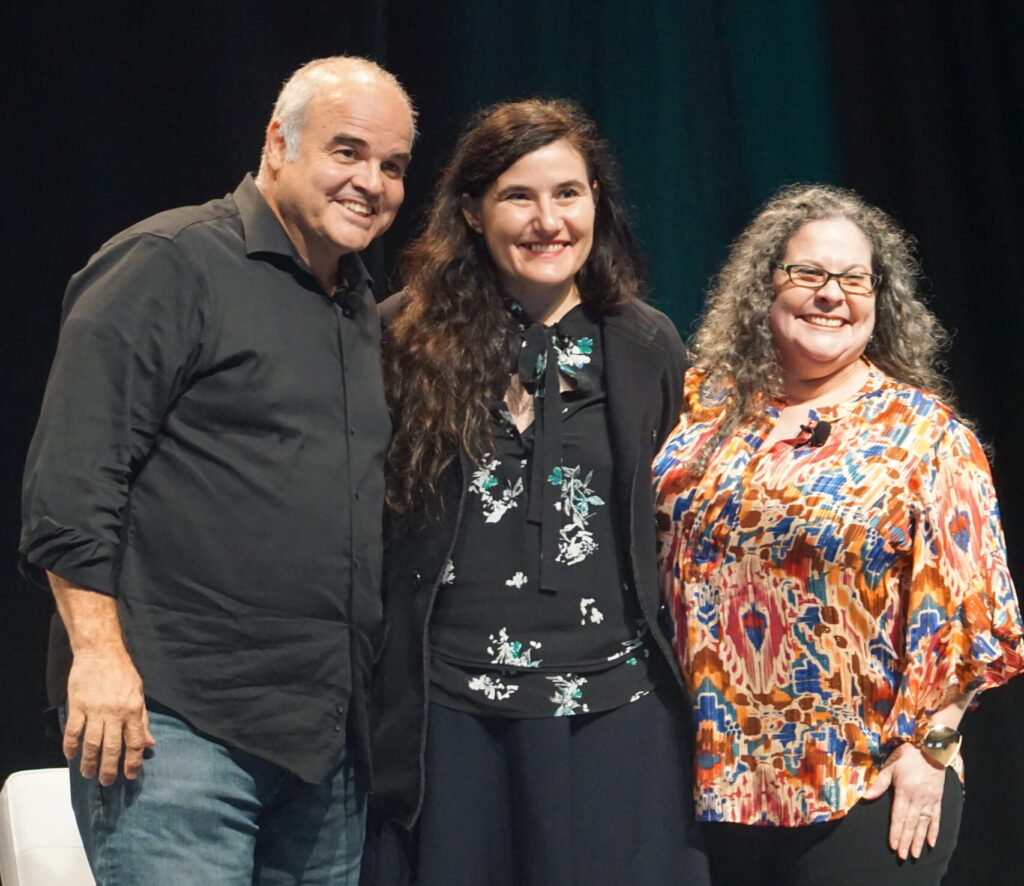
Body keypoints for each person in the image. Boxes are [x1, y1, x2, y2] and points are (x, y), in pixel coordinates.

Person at [19, 56, 415, 885]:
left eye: (392, 165)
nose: (370, 181)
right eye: (347, 152)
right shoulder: (171, 262)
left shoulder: (357, 310)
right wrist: (97, 658)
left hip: (323, 745)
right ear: (279, 144)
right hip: (174, 727)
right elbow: (71, 480)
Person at [363, 99, 710, 886]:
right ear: (471, 210)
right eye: (519, 195)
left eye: (569, 193)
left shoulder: (643, 341)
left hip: (615, 713)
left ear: (598, 205)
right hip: (451, 716)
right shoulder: (399, 338)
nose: (547, 219)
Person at [653, 184, 1024, 886]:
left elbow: (977, 624)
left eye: (855, 279)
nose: (833, 294)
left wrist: (934, 749)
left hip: (863, 787)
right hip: (697, 787)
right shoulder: (696, 406)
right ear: (766, 285)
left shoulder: (924, 436)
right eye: (810, 273)